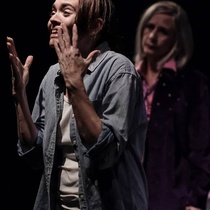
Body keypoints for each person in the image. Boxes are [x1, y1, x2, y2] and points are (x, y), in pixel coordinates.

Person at [6, 0, 148, 209]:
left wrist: (74, 84)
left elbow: (105, 153)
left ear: (95, 26)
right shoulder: (52, 75)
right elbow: (35, 155)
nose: (52, 19)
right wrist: (20, 96)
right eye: (53, 11)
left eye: (66, 11)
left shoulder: (119, 70)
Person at [133, 1, 210, 210]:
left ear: (177, 40)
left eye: (163, 31)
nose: (152, 36)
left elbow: (201, 149)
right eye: (149, 27)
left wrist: (196, 200)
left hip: (170, 197)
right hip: (126, 195)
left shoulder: (191, 84)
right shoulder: (126, 77)